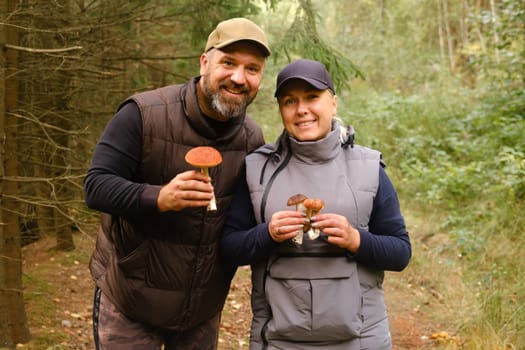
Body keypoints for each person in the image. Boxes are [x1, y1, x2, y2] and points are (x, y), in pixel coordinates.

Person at [84, 17, 270, 350]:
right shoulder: (143, 114)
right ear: (205, 62)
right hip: (130, 302)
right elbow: (96, 186)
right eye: (228, 63)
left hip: (200, 311)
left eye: (252, 69)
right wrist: (158, 197)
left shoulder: (251, 139)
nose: (238, 78)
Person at [221, 59, 411, 349]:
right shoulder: (257, 168)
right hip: (277, 340)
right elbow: (230, 248)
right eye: (289, 101)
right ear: (281, 110)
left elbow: (400, 253)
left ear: (333, 103)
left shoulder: (369, 166)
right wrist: (267, 234)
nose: (301, 110)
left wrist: (355, 239)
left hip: (360, 340)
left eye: (312, 97)